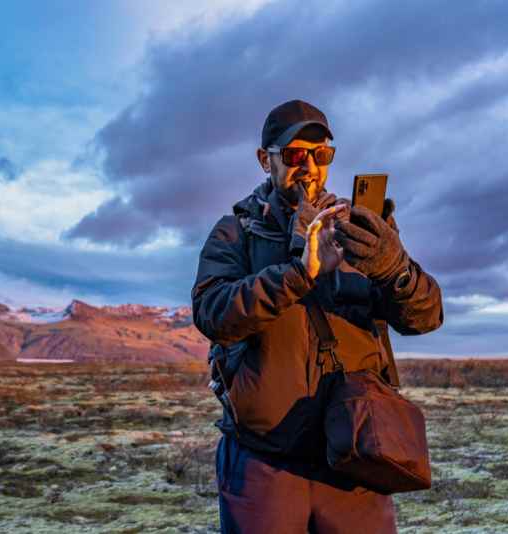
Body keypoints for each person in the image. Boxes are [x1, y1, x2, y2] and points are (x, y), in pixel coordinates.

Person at [191, 99, 443, 533]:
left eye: (320, 154)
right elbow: (213, 314)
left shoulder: (359, 228)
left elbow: (426, 316)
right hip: (263, 461)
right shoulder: (235, 233)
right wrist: (298, 274)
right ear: (263, 160)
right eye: (293, 154)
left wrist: (392, 267)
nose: (308, 166)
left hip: (358, 456)